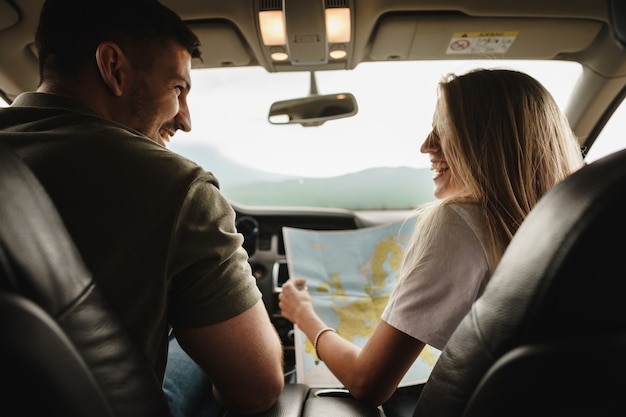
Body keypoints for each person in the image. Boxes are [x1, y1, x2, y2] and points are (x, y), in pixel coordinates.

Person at [0, 0, 285, 415]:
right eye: (177, 88)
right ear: (113, 67)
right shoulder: (178, 186)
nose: (185, 119)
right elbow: (258, 387)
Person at [278, 68, 584, 415]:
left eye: (445, 129)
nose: (426, 145)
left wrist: (305, 318)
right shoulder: (577, 228)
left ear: (484, 141)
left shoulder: (457, 221)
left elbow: (368, 383)